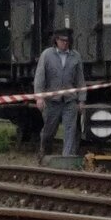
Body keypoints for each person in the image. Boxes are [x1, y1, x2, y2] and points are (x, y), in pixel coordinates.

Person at [33, 28, 86, 162]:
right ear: (56, 40)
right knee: (49, 131)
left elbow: (80, 80)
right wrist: (39, 97)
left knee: (70, 130)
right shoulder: (47, 55)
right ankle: (44, 152)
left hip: (70, 101)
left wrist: (81, 100)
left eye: (67, 41)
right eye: (62, 40)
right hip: (52, 101)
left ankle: (67, 159)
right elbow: (40, 77)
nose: (65, 43)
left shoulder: (76, 57)